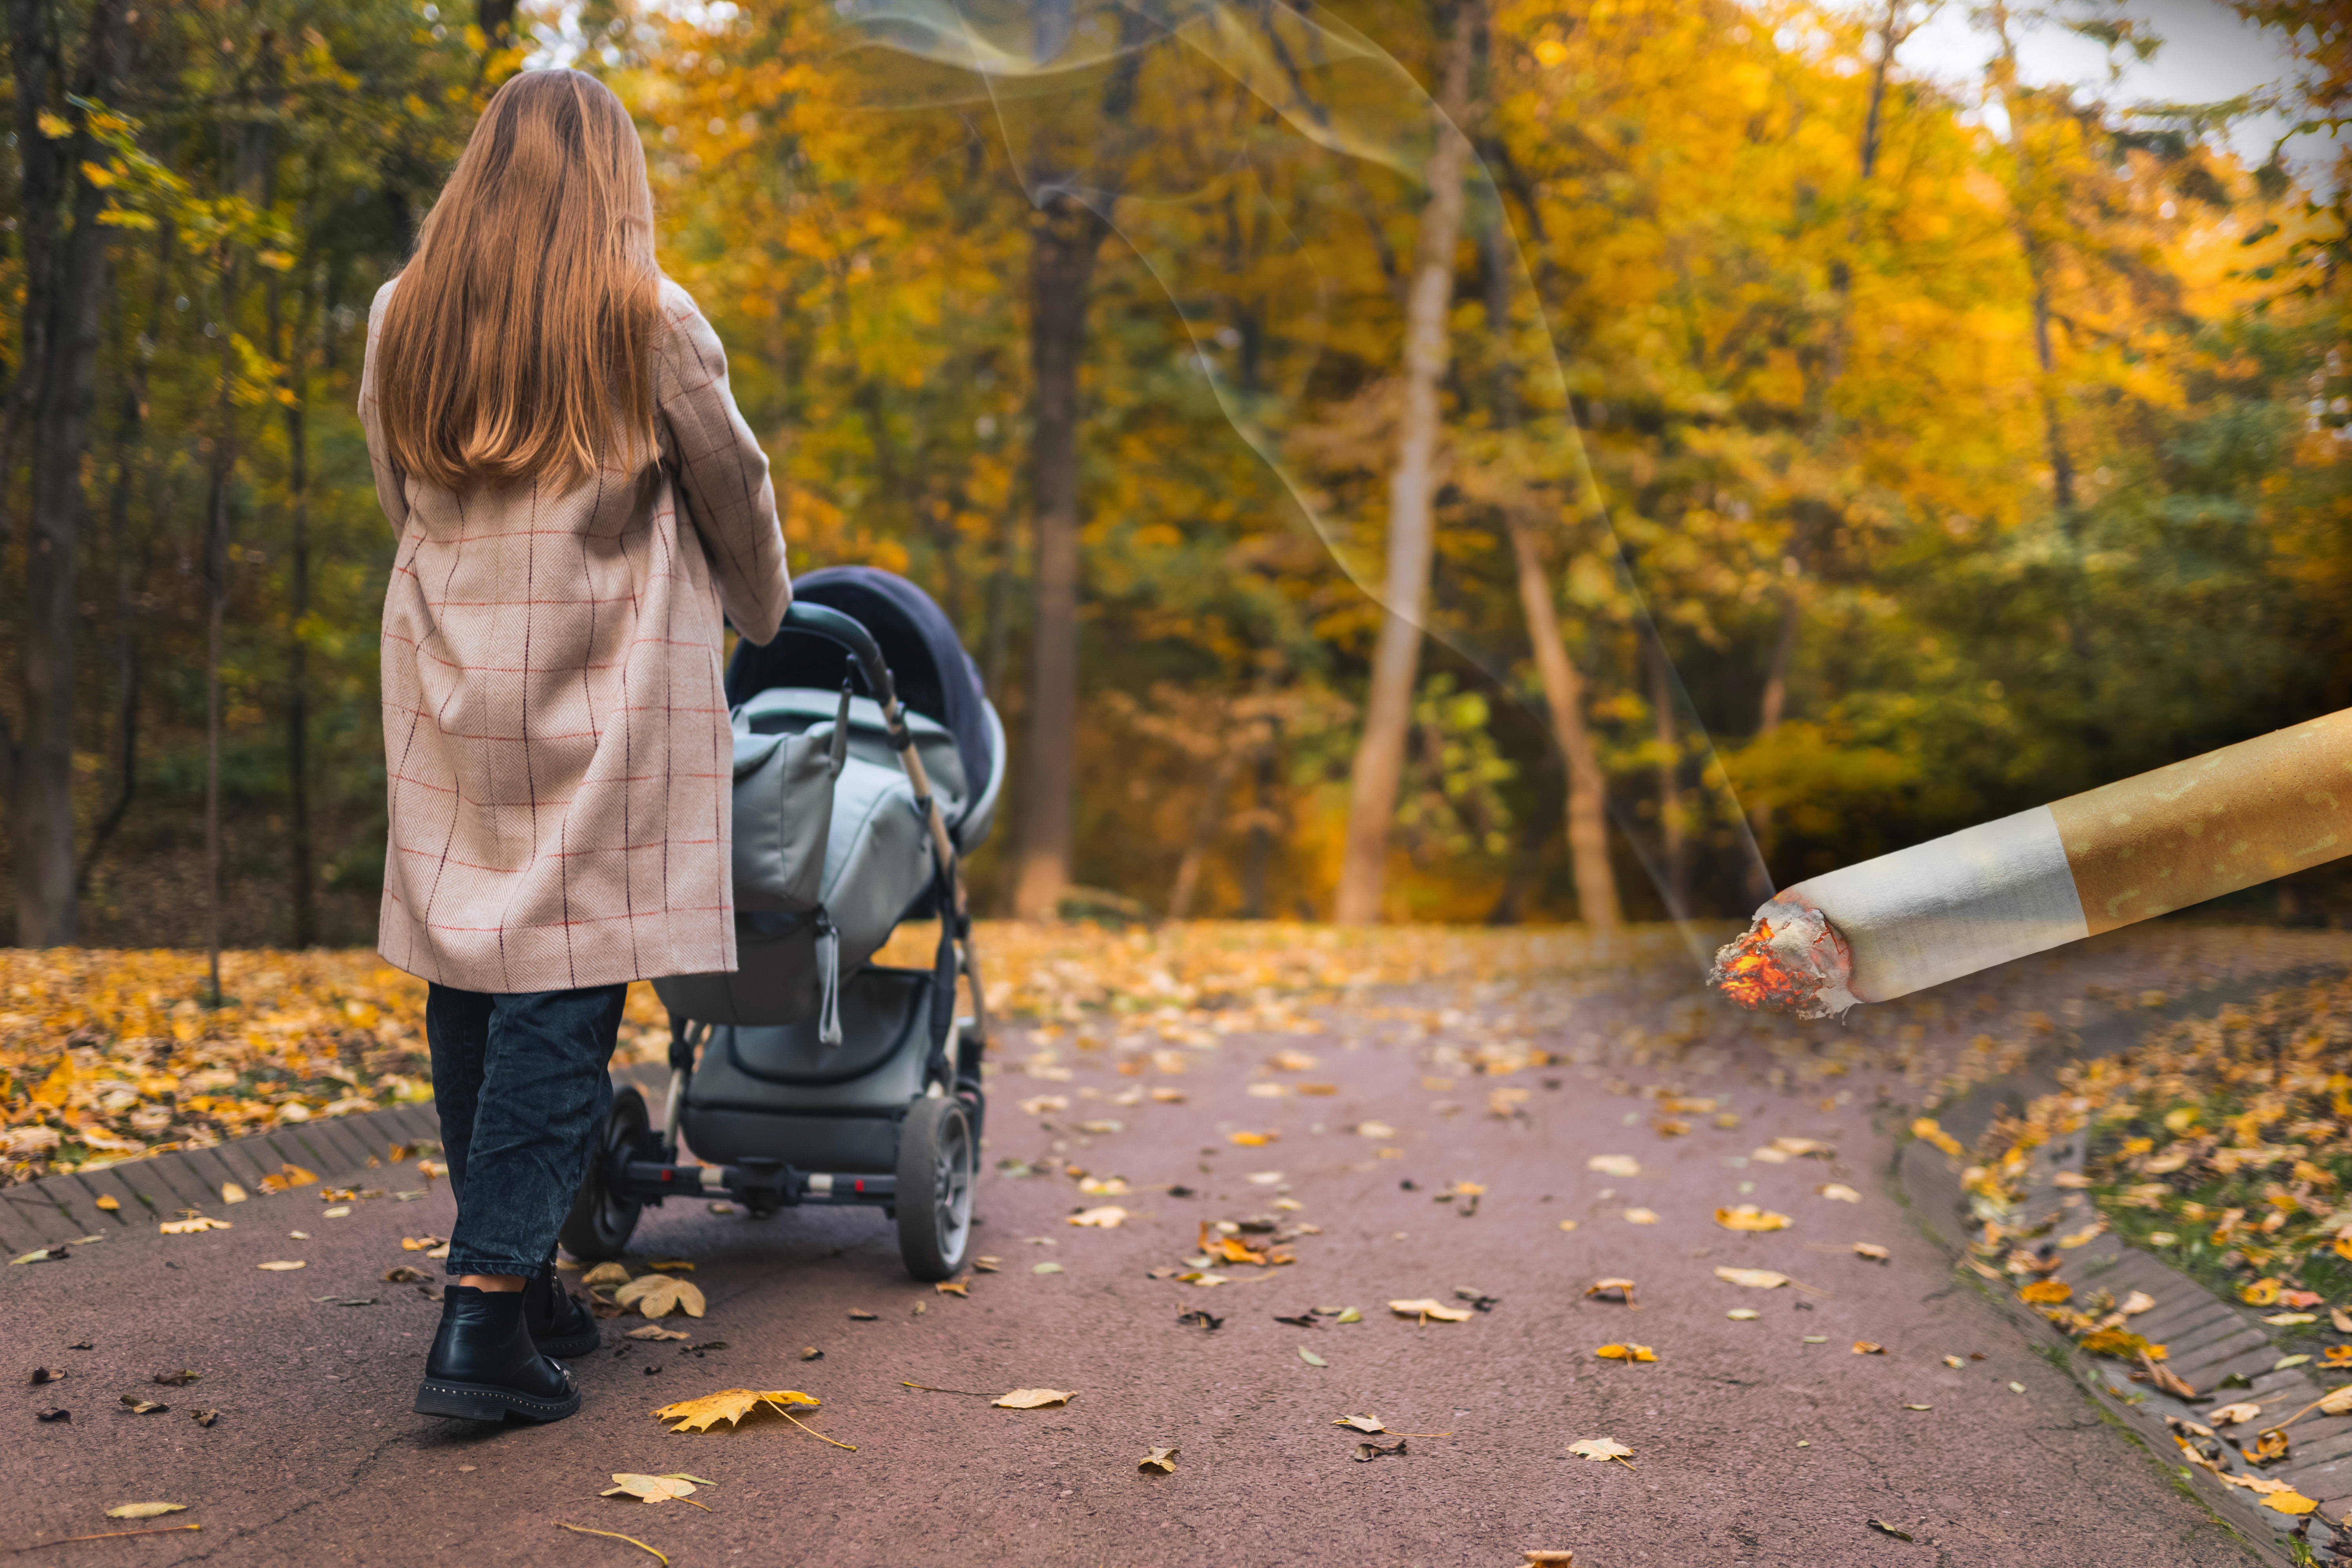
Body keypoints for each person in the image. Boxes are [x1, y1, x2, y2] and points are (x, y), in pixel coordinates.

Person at [359, 67, 791, 1424]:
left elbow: (396, 487)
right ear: (615, 181)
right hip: (600, 685)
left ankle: (530, 1274)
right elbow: (733, 486)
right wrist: (767, 609)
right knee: (567, 979)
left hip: (449, 678)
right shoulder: (646, 319)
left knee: (473, 963)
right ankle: (484, 1315)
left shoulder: (400, 315)